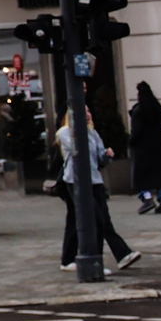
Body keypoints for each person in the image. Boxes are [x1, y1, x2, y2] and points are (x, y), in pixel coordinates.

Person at [55, 109, 136, 273]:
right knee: (95, 219)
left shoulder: (92, 132)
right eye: (82, 111)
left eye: (88, 111)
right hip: (75, 181)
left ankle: (69, 259)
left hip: (95, 180)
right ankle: (95, 260)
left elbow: (99, 157)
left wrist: (107, 155)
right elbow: (77, 149)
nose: (87, 114)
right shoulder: (65, 132)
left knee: (82, 220)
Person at [127, 82, 161, 215]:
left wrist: (131, 142)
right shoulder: (157, 109)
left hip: (143, 147)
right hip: (160, 145)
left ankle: (147, 198)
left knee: (141, 175)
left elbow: (136, 132)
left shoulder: (138, 111)